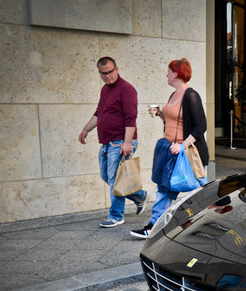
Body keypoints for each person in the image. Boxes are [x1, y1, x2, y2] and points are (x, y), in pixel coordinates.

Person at [130, 58, 209, 239]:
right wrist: (160, 114)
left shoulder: (191, 95)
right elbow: (173, 122)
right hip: (170, 150)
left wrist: (182, 145)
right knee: (164, 189)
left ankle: (211, 221)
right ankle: (154, 226)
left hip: (187, 154)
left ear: (176, 73)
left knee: (202, 191)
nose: (166, 74)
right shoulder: (173, 95)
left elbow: (200, 127)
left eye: (168, 71)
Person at [79, 57, 148, 228]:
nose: (107, 76)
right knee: (107, 176)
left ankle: (116, 215)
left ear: (117, 69)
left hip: (121, 141)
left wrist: (127, 142)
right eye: (103, 73)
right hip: (107, 142)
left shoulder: (127, 89)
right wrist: (86, 129)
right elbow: (99, 113)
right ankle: (140, 196)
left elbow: (131, 117)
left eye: (110, 72)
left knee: (114, 179)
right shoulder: (105, 90)